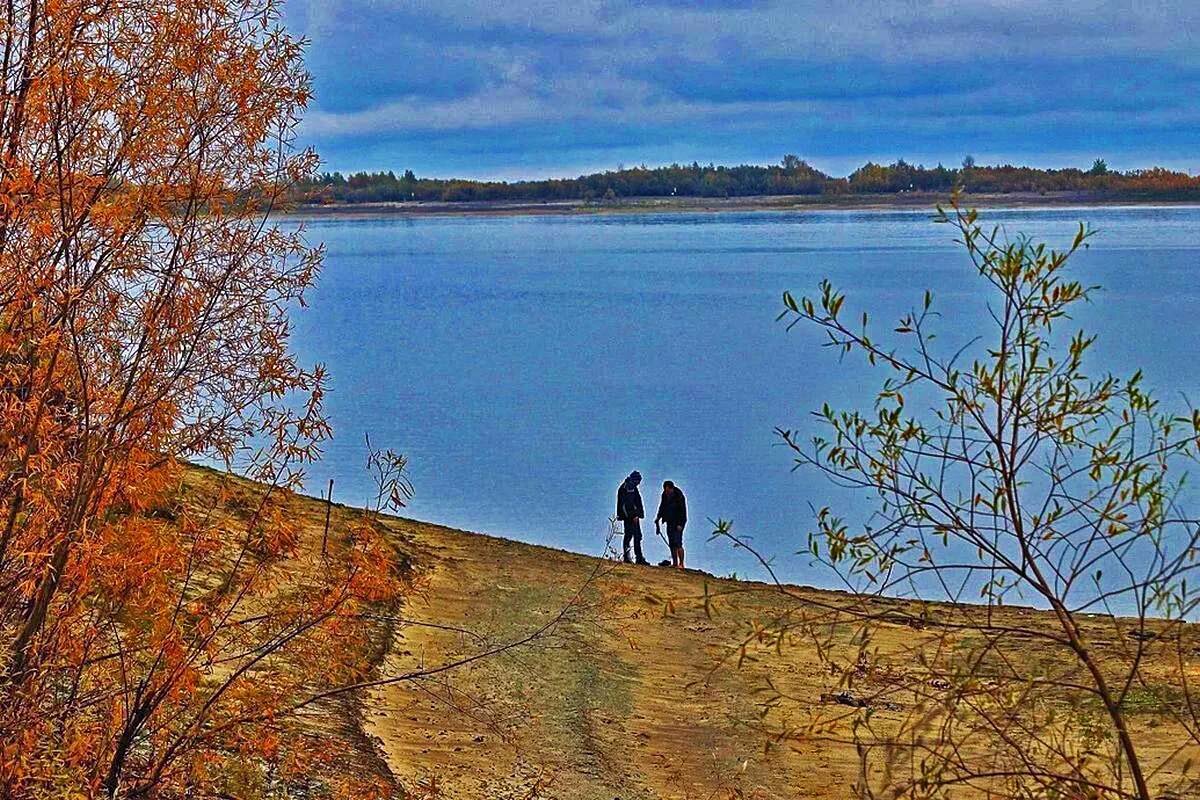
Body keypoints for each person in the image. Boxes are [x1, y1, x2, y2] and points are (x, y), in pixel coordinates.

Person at [616, 471, 648, 565]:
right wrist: (633, 515)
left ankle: (637, 558)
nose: (639, 483)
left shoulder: (632, 487)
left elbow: (638, 501)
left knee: (636, 536)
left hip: (634, 517)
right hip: (629, 517)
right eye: (638, 481)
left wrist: (639, 514)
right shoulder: (627, 487)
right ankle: (630, 557)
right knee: (630, 536)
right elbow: (626, 505)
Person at [656, 480, 688, 570]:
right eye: (665, 491)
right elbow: (662, 507)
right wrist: (658, 517)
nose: (667, 492)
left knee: (678, 542)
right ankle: (675, 563)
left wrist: (681, 524)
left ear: (672, 488)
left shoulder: (679, 496)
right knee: (672, 543)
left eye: (668, 490)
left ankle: (681, 564)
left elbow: (683, 512)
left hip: (678, 523)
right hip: (669, 521)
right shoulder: (664, 496)